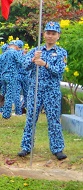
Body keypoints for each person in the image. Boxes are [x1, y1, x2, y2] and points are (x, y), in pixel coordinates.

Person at [18, 22, 68, 160]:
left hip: (51, 90)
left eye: (53, 34)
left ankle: (57, 148)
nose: (50, 36)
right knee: (31, 118)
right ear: (44, 34)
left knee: (53, 119)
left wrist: (45, 64)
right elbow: (24, 66)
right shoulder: (36, 51)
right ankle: (26, 147)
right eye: (48, 33)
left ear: (58, 36)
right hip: (35, 89)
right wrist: (34, 59)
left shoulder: (61, 53)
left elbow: (59, 71)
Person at [0, 41, 24, 119]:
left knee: (3, 93)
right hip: (12, 76)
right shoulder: (15, 53)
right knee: (9, 95)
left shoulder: (4, 53)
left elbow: (0, 61)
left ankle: (0, 109)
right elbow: (21, 62)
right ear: (16, 46)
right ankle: (6, 114)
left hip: (4, 75)